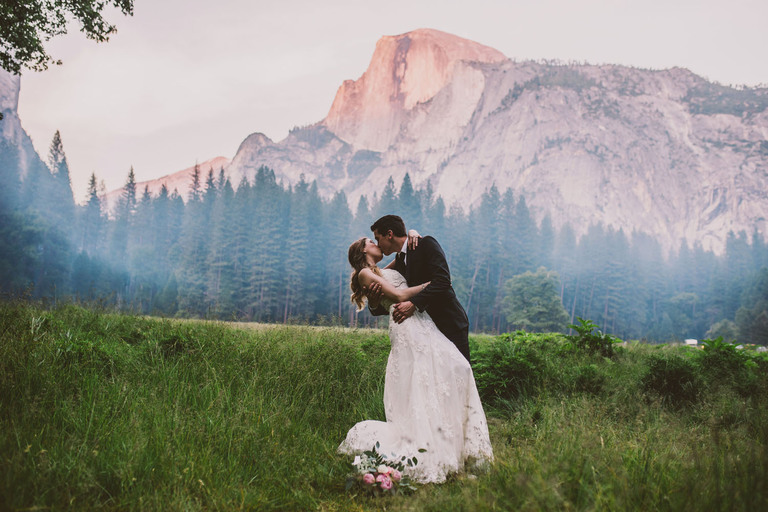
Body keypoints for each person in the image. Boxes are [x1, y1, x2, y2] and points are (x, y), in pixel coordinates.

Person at [338, 237, 493, 483]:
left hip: (422, 324)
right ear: (362, 250)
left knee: (454, 372)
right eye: (371, 241)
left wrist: (413, 233)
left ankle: (454, 446)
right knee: (427, 383)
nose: (376, 242)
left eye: (378, 237)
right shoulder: (364, 275)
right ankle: (429, 447)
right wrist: (431, 284)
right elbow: (398, 295)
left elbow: (402, 263)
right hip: (406, 326)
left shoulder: (382, 269)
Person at [367, 215, 471, 363]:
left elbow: (443, 281)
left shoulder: (425, 244)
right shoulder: (399, 261)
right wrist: (373, 303)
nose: (378, 244)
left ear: (389, 234)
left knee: (460, 373)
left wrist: (414, 303)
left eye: (378, 238)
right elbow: (392, 301)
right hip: (424, 330)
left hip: (449, 323)